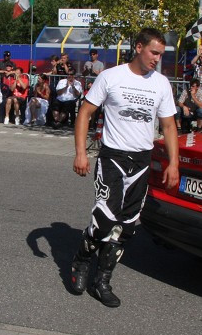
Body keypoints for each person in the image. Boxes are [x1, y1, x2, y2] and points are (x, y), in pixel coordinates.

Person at [70, 28, 179, 308]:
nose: (157, 58)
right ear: (139, 47)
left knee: (126, 227)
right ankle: (81, 261)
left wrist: (173, 164)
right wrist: (81, 153)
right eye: (154, 52)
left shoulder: (161, 84)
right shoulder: (111, 76)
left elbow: (168, 126)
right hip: (112, 158)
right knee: (105, 221)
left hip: (142, 162)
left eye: (161, 54)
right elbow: (85, 112)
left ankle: (102, 281)